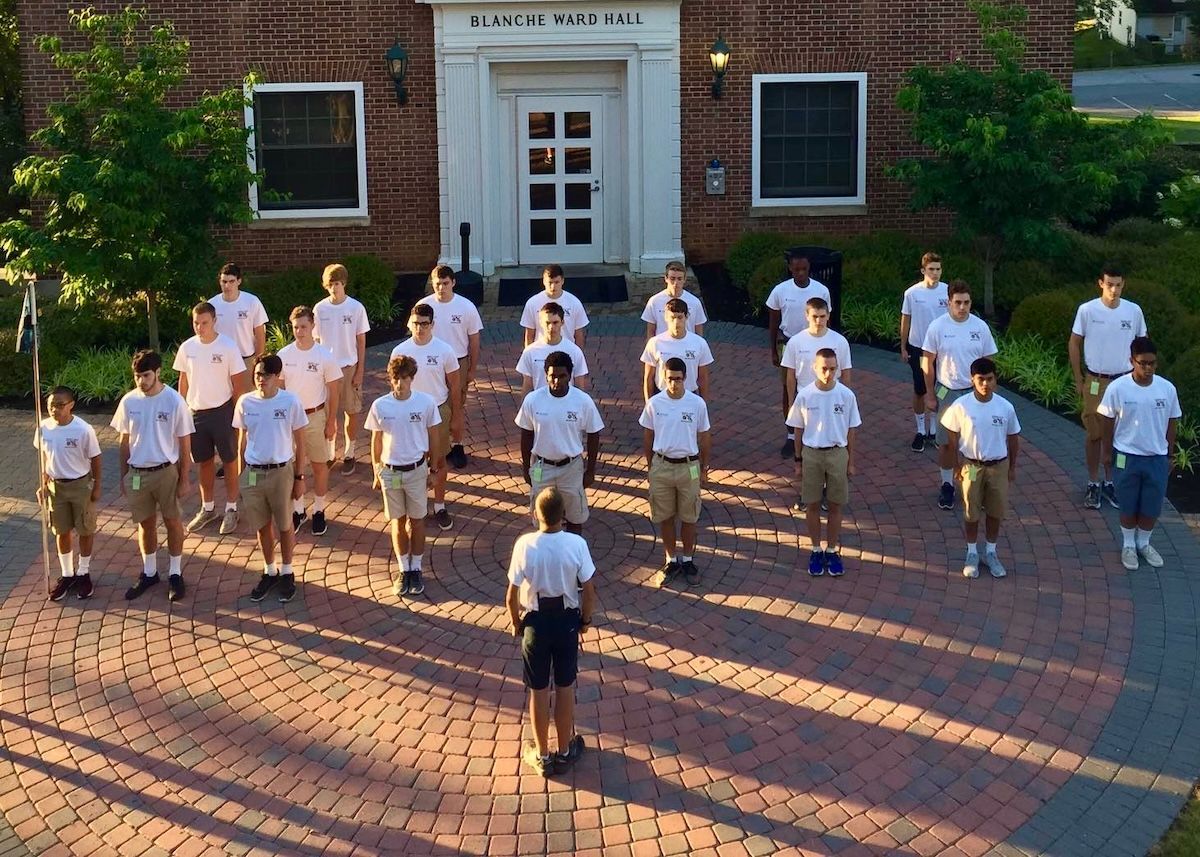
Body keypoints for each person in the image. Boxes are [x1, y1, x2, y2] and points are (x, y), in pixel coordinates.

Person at [505, 486, 595, 777]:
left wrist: (518, 624)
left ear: (535, 515)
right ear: (564, 515)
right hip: (566, 620)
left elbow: (511, 596)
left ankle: (542, 755)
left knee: (539, 690)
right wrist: (584, 620)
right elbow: (589, 590)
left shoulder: (525, 544)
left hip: (536, 621)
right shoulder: (576, 544)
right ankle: (566, 749)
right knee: (566, 686)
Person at [112, 350, 195, 603]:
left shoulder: (174, 401)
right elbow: (124, 441)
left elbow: (184, 442)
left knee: (172, 522)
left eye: (146, 375)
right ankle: (149, 572)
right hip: (137, 473)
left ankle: (175, 573)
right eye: (137, 376)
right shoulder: (129, 401)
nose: (141, 381)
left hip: (165, 472)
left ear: (158, 372)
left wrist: (184, 478)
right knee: (145, 524)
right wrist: (124, 475)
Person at [1097, 336, 1181, 571]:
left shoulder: (1166, 389)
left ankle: (1143, 543)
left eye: (1152, 363)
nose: (1148, 368)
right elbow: (1106, 418)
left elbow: (1172, 421)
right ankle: (1128, 545)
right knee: (1128, 503)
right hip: (1126, 455)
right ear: (1131, 361)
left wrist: (1170, 455)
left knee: (1152, 504)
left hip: (1156, 457)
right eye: (1143, 363)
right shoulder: (1118, 388)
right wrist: (1107, 452)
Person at [1069, 264, 1147, 510]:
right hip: (1096, 381)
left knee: (1121, 435)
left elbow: (1142, 345)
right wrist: (1079, 379)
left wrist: (1142, 377)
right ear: (1100, 283)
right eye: (1109, 284)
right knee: (1094, 432)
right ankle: (1093, 483)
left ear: (1124, 284)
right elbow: (1074, 343)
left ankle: (1112, 482)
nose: (1114, 289)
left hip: (1125, 380)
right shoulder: (1087, 310)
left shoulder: (1133, 311)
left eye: (1118, 284)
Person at [365, 355, 442, 597]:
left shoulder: (426, 403)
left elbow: (434, 437)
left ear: (412, 379)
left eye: (405, 379)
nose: (401, 384)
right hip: (390, 472)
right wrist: (376, 471)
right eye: (396, 379)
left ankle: (416, 568)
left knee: (418, 520)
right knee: (397, 521)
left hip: (417, 470)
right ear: (390, 380)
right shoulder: (380, 406)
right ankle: (403, 569)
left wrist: (435, 469)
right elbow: (376, 441)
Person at [236, 355, 309, 604]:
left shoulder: (290, 402)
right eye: (257, 375)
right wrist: (241, 474)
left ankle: (287, 572)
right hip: (253, 473)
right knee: (261, 526)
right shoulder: (245, 402)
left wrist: (300, 476)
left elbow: (301, 441)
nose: (261, 380)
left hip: (281, 472)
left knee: (285, 524)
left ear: (277, 376)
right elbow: (242, 440)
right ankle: (269, 570)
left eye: (266, 375)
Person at [940, 357, 1021, 579]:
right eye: (980, 379)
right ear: (972, 380)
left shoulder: (1005, 407)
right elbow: (951, 436)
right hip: (971, 466)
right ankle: (972, 553)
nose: (985, 384)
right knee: (971, 511)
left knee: (995, 512)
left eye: (989, 379)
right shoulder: (961, 406)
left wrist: (1012, 467)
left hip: (998, 466)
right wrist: (957, 465)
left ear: (996, 380)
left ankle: (991, 552)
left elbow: (1013, 438)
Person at [921, 280, 997, 511]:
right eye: (957, 303)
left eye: (966, 303)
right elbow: (927, 361)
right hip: (947, 391)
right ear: (949, 303)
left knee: (973, 445)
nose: (962, 307)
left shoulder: (980, 327)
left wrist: (990, 393)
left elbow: (989, 363)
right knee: (945, 443)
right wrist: (930, 394)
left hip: (975, 393)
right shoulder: (937, 327)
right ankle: (947, 485)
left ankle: (972, 483)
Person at [173, 301, 247, 535]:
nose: (200, 327)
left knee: (229, 461)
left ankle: (232, 508)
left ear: (214, 321)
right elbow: (183, 380)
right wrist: (181, 409)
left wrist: (237, 416)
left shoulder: (227, 346)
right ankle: (208, 508)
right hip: (196, 413)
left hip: (222, 411)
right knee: (203, 462)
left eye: (204, 322)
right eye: (196, 323)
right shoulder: (187, 348)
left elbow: (238, 383)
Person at [787, 349, 861, 577]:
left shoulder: (846, 396)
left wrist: (850, 461)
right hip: (812, 454)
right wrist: (798, 460)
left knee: (836, 504)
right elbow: (798, 430)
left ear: (837, 369)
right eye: (823, 369)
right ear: (814, 368)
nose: (828, 373)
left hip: (837, 453)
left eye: (832, 369)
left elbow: (851, 431)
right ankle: (816, 548)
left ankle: (831, 549)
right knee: (812, 504)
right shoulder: (805, 396)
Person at [640, 357, 711, 587]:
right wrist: (651, 466)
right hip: (662, 465)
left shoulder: (697, 404)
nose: (673, 384)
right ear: (663, 377)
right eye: (669, 379)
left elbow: (705, 435)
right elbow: (648, 435)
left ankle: (688, 559)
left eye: (678, 379)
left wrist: (703, 467)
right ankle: (671, 559)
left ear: (685, 379)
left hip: (689, 465)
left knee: (690, 516)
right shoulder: (654, 404)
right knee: (665, 515)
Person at [516, 351, 604, 536]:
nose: (556, 381)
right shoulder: (533, 400)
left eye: (562, 376)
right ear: (546, 375)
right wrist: (526, 468)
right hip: (541, 467)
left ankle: (574, 558)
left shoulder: (582, 401)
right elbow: (526, 435)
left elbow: (594, 434)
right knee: (541, 519)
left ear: (570, 376)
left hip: (571, 468)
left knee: (575, 519)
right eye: (552, 376)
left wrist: (590, 470)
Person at [390, 303, 460, 531]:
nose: (420, 328)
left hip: (437, 411)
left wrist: (457, 416)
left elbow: (455, 385)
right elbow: (393, 384)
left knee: (438, 461)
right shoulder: (400, 351)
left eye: (425, 324)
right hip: (408, 414)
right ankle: (416, 508)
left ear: (432, 325)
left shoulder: (444, 350)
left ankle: (439, 505)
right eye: (416, 323)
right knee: (413, 461)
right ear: (409, 323)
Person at [278, 305, 341, 535]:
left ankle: (319, 510)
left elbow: (334, 390)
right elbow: (280, 389)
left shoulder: (325, 355)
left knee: (319, 464)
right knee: (293, 465)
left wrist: (332, 420)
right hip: (290, 420)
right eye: (295, 327)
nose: (300, 331)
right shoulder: (284, 355)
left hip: (316, 416)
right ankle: (298, 510)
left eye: (304, 327)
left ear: (312, 326)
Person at [35, 386, 101, 602]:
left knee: (84, 529)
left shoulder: (83, 429)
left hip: (80, 485)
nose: (54, 410)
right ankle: (67, 574)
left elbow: (96, 458)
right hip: (56, 487)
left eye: (60, 405)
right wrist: (43, 482)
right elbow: (44, 458)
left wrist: (97, 485)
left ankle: (83, 572)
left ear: (71, 405)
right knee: (61, 531)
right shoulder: (43, 427)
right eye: (50, 405)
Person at [766, 250, 831, 458]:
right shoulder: (780, 291)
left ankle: (816, 430)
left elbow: (828, 320)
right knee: (788, 389)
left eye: (804, 269)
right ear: (790, 269)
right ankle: (791, 435)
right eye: (796, 270)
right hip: (788, 344)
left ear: (809, 268)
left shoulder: (821, 290)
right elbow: (773, 322)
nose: (800, 273)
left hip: (816, 344)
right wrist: (773, 351)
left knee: (814, 386)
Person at [417, 265, 483, 470]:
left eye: (445, 283)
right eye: (437, 283)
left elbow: (474, 340)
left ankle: (457, 445)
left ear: (453, 283)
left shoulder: (466, 307)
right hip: (431, 363)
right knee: (432, 404)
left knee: (456, 404)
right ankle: (432, 447)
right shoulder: (424, 305)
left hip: (458, 361)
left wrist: (472, 368)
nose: (441, 287)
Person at [313, 263, 370, 476]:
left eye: (337, 284)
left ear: (343, 283)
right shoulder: (320, 309)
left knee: (351, 411)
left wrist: (360, 370)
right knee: (328, 414)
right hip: (327, 369)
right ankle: (329, 452)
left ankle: (350, 452)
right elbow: (316, 340)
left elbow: (361, 341)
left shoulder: (355, 308)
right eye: (330, 285)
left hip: (348, 366)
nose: (334, 288)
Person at [899, 252, 949, 452]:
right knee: (920, 389)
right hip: (919, 350)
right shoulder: (912, 293)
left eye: (938, 269)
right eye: (931, 269)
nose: (935, 273)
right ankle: (921, 430)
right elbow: (905, 320)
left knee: (941, 389)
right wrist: (903, 347)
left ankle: (935, 430)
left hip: (943, 350)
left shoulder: (948, 292)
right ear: (923, 271)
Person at [782, 297, 853, 408]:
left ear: (828, 315)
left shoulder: (840, 341)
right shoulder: (795, 342)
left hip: (832, 398)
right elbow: (790, 375)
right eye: (815, 316)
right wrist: (791, 403)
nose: (819, 321)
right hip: (805, 399)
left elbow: (846, 373)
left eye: (822, 316)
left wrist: (847, 403)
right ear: (807, 316)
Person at [640, 298, 713, 401]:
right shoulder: (655, 343)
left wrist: (702, 405)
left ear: (686, 317)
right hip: (661, 396)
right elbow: (648, 377)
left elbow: (703, 377)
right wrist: (649, 404)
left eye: (680, 317)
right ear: (665, 317)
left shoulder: (699, 343)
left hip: (689, 397)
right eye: (672, 317)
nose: (676, 322)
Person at [516, 301, 589, 395]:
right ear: (540, 323)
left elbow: (579, 387)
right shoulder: (530, 352)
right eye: (547, 323)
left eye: (555, 322)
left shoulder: (574, 351)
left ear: (562, 322)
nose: (551, 327)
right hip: (540, 405)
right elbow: (527, 386)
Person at [210, 262, 268, 376]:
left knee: (245, 394)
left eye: (231, 281)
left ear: (239, 281)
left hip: (246, 359)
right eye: (224, 282)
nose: (227, 286)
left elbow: (260, 334)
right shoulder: (212, 305)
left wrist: (258, 360)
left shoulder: (252, 301)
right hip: (219, 360)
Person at [520, 264, 589, 348]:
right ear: (544, 281)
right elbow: (529, 335)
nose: (553, 286)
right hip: (541, 351)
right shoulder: (532, 303)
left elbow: (579, 335)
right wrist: (529, 356)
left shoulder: (574, 303)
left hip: (566, 352)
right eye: (550, 282)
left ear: (562, 281)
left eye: (556, 282)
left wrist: (577, 356)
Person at [642, 261, 707, 339]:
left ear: (684, 279)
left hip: (686, 347)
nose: (676, 283)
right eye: (672, 279)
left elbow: (699, 332)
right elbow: (650, 332)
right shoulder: (654, 301)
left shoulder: (695, 302)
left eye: (679, 279)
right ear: (666, 278)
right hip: (663, 346)